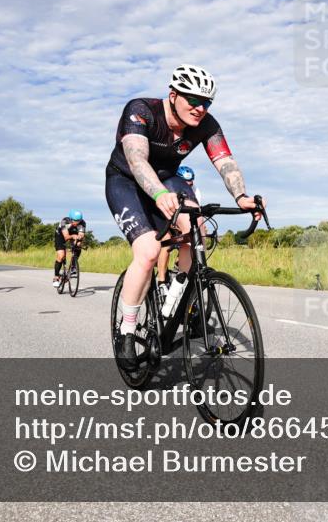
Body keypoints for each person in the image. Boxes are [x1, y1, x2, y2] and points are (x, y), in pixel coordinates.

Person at [105, 64, 264, 366]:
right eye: (193, 100)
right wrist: (158, 195)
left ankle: (176, 297)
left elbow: (225, 160)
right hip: (125, 181)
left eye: (206, 103)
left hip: (168, 179)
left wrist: (242, 196)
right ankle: (126, 330)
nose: (200, 108)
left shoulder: (206, 123)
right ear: (173, 94)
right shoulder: (142, 111)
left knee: (198, 229)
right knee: (149, 251)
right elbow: (137, 159)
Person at [155, 165, 203, 296]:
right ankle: (161, 281)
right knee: (166, 243)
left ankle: (179, 268)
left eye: (191, 181)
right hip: (165, 216)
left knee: (192, 239)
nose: (189, 184)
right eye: (186, 182)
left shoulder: (195, 190)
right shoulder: (170, 186)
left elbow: (197, 211)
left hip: (181, 218)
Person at [53, 210, 87, 287]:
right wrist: (73, 237)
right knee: (61, 255)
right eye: (75, 221)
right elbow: (66, 237)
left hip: (73, 233)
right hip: (61, 235)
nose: (77, 222)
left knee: (78, 244)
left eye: (79, 221)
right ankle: (56, 277)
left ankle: (73, 266)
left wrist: (79, 238)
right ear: (71, 219)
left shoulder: (82, 223)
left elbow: (81, 234)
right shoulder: (65, 221)